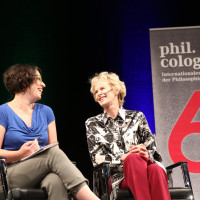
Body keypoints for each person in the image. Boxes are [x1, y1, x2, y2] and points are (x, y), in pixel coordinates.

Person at [0, 64, 100, 200]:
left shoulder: (46, 111)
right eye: (39, 80)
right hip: (9, 174)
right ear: (24, 82)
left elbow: (54, 148)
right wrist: (19, 154)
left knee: (55, 180)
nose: (43, 84)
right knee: (53, 154)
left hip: (41, 170)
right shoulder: (3, 112)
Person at [85, 71, 171, 200]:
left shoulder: (137, 117)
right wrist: (124, 157)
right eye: (96, 92)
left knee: (156, 170)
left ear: (116, 90)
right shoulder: (93, 123)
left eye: (102, 88)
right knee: (132, 158)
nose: (99, 94)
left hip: (145, 170)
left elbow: (155, 154)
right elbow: (96, 159)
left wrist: (146, 154)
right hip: (117, 178)